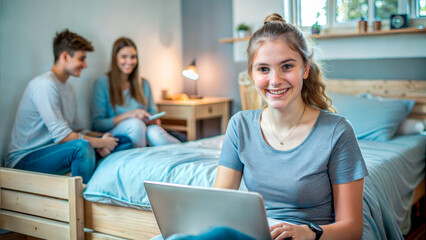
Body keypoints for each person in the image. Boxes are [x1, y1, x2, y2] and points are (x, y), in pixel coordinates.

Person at [213, 13, 368, 240]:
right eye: (263, 69)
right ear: (252, 75)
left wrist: (307, 232)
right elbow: (219, 205)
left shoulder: (337, 132)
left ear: (305, 69)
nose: (275, 80)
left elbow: (352, 228)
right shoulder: (239, 125)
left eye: (286, 66)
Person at [5, 29, 133, 184]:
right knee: (81, 147)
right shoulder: (44, 85)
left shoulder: (68, 89)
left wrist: (103, 137)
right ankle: (85, 199)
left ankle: (95, 172)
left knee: (123, 140)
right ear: (65, 56)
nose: (85, 65)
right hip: (26, 159)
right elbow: (63, 136)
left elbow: (77, 130)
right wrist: (101, 143)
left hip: (59, 150)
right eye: (81, 59)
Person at [92, 37, 181, 148]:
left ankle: (188, 153)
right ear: (115, 58)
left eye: (133, 57)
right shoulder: (102, 83)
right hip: (117, 132)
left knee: (155, 132)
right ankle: (140, 161)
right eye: (124, 57)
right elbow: (98, 125)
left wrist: (153, 120)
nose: (129, 62)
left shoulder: (144, 84)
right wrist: (129, 115)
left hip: (143, 128)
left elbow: (153, 113)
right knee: (136, 125)